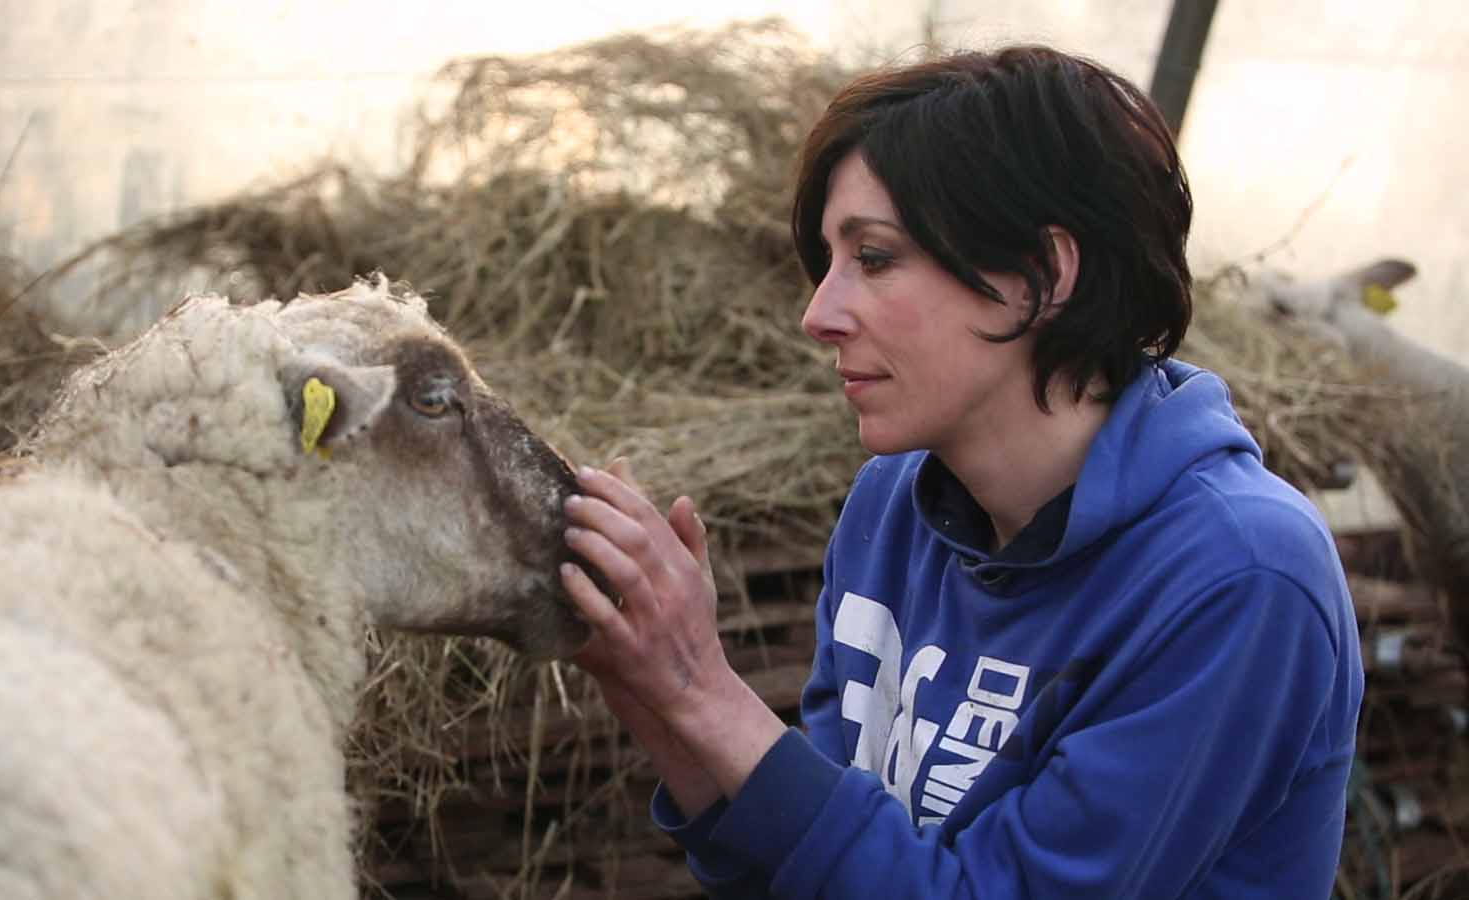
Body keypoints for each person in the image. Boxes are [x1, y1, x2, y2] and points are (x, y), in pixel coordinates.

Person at [556, 44, 1363, 899]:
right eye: (828, 262)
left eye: (872, 257)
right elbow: (817, 865)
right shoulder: (894, 507)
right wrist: (651, 686)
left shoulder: (1239, 578)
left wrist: (701, 687)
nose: (817, 314)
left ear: (1042, 277)